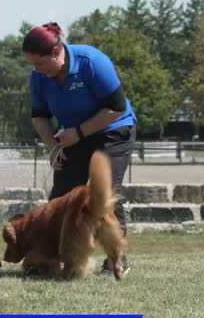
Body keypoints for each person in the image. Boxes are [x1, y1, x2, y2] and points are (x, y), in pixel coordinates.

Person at [24, 22, 136, 276]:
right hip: (72, 137)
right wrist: (53, 147)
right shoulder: (39, 77)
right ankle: (46, 259)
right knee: (60, 198)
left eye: (39, 63)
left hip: (112, 131)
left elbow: (116, 106)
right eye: (31, 65)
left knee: (103, 192)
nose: (36, 70)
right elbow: (39, 116)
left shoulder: (92, 61)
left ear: (56, 52)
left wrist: (80, 132)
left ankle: (116, 260)